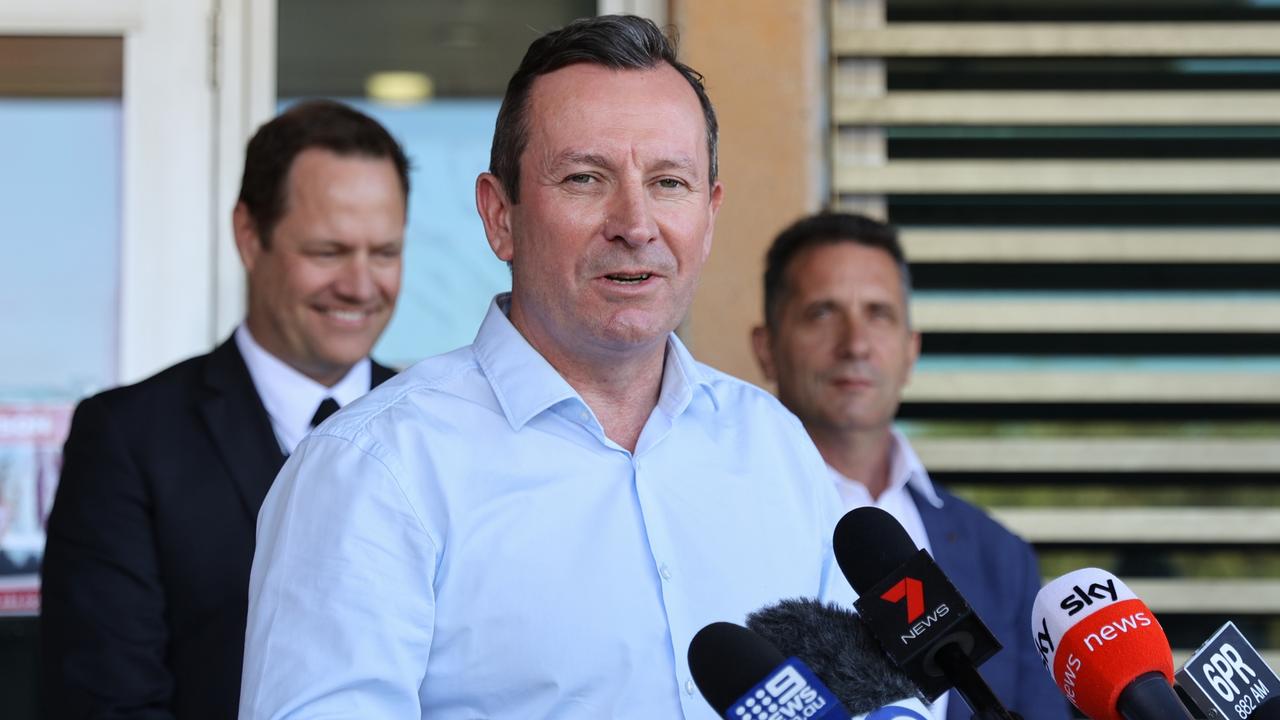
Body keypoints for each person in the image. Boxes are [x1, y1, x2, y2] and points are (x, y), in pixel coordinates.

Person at [239, 15, 849, 720]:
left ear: (708, 217)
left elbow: (873, 692)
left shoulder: (772, 443)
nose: (636, 223)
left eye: (669, 182)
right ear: (501, 217)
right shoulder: (373, 469)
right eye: (585, 178)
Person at [40, 99, 410, 720]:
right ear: (249, 236)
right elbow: (105, 702)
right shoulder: (127, 439)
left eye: (385, 252)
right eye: (327, 251)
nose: (360, 284)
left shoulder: (442, 429)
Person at [750, 212, 1071, 720]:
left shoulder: (999, 555)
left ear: (911, 349)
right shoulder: (723, 525)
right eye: (822, 312)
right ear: (765, 348)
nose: (855, 344)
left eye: (878, 313)